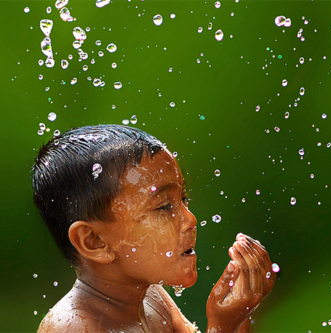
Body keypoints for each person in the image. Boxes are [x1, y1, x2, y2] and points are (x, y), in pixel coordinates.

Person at [32, 125, 276, 333]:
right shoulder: (74, 327)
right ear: (95, 241)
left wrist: (239, 314)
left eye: (183, 198)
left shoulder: (151, 298)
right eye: (164, 206)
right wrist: (222, 325)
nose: (190, 219)